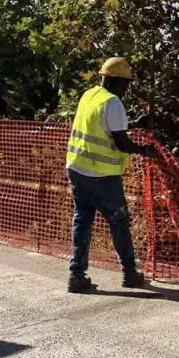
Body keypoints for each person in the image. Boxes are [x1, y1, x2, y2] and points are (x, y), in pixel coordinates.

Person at [65, 57, 155, 294]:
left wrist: (133, 123)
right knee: (119, 221)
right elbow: (122, 143)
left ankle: (76, 275)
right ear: (115, 81)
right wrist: (144, 151)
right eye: (125, 84)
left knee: (82, 219)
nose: (126, 89)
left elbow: (103, 127)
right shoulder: (113, 103)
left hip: (76, 168)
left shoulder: (90, 95)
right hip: (101, 175)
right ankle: (129, 273)